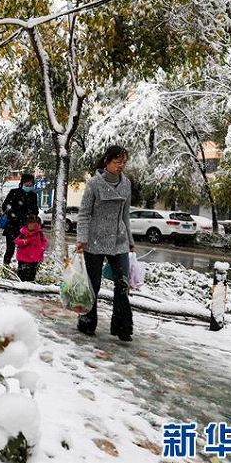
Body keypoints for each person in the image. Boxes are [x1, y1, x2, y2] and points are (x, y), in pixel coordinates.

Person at [75, 145, 135, 342]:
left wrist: (130, 240)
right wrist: (81, 239)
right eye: (117, 162)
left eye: (123, 162)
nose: (121, 166)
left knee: (122, 283)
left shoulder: (126, 184)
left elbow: (125, 214)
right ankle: (87, 322)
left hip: (119, 240)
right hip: (94, 240)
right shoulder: (94, 183)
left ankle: (122, 327)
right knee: (94, 284)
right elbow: (84, 213)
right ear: (107, 161)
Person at [1, 173, 40, 266]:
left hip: (26, 228)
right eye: (27, 184)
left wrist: (33, 217)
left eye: (31, 185)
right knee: (10, 249)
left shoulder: (33, 195)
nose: (29, 186)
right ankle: (5, 267)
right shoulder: (14, 192)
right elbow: (5, 206)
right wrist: (14, 215)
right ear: (22, 183)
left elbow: (35, 210)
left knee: (24, 250)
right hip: (12, 226)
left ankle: (22, 269)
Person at [14, 214, 47, 281]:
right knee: (22, 275)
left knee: (32, 274)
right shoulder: (23, 233)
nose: (32, 225)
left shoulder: (39, 233)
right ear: (27, 224)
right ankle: (21, 284)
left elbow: (44, 241)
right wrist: (24, 241)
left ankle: (30, 284)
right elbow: (17, 241)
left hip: (35, 258)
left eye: (34, 224)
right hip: (23, 258)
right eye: (30, 223)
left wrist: (42, 248)